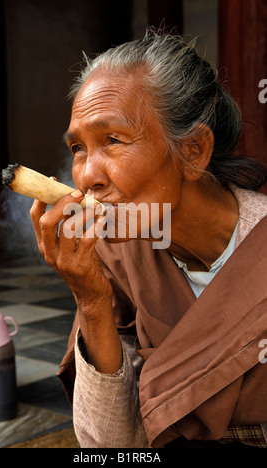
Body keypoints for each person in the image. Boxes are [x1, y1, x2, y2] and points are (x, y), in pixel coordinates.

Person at [30, 30, 267, 448]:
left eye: (113, 140)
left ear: (193, 150)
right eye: (78, 148)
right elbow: (109, 445)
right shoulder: (119, 257)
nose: (87, 177)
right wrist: (92, 301)